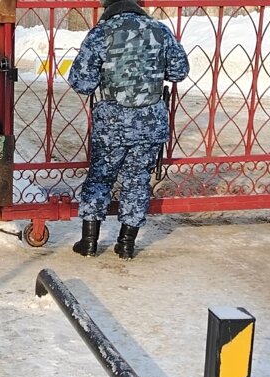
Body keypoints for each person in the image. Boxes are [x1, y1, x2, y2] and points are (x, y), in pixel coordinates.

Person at [66, 0, 189, 259]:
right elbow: (179, 72)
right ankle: (126, 244)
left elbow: (81, 82)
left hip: (112, 124)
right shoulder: (160, 30)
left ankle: (89, 242)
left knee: (100, 178)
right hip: (150, 123)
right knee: (137, 181)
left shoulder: (101, 33)